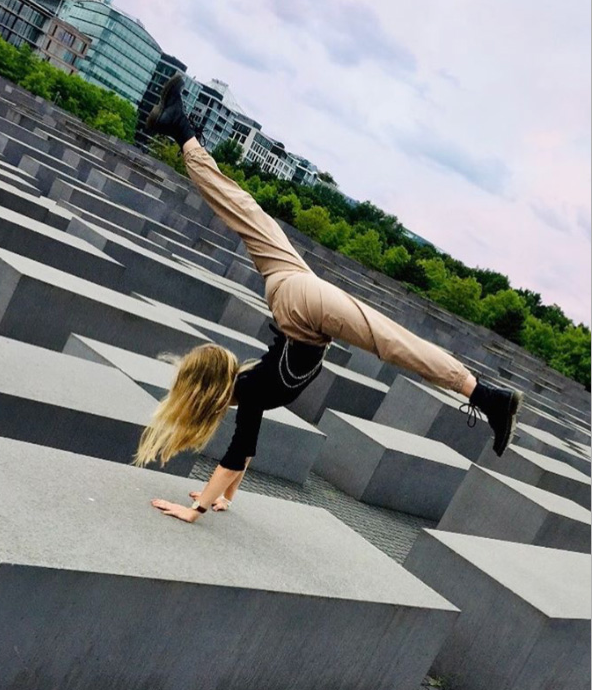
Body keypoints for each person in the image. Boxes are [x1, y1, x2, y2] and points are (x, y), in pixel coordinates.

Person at [139, 75, 523, 524]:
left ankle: (488, 397)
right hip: (291, 291)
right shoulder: (246, 394)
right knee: (241, 209)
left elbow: (237, 451)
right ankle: (181, 129)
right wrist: (223, 498)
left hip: (304, 311)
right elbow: (244, 452)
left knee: (390, 340)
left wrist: (195, 509)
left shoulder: (247, 392)